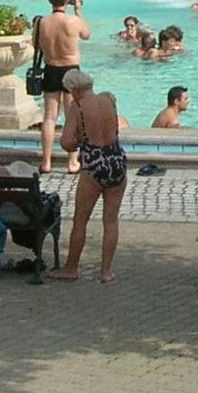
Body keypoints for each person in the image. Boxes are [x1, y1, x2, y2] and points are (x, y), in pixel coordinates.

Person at [53, 68, 128, 283]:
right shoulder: (108, 100)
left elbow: (67, 143)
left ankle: (71, 268)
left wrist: (80, 142)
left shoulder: (77, 107)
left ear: (74, 89)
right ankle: (106, 272)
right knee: (111, 221)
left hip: (94, 164)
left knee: (81, 220)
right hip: (116, 160)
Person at [35, 0, 90, 175]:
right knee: (71, 117)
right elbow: (86, 35)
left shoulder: (41, 22)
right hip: (71, 70)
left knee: (49, 117)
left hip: (51, 68)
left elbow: (37, 43)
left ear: (50, 1)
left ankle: (46, 162)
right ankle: (72, 161)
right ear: (67, 1)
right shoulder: (73, 21)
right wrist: (78, 10)